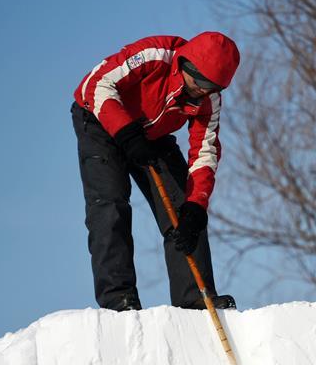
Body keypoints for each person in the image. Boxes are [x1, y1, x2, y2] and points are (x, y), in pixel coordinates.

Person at [71, 32, 239, 312]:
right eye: (198, 82)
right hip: (100, 121)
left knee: (184, 210)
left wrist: (197, 205)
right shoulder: (156, 55)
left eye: (211, 87)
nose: (201, 91)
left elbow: (205, 153)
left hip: (152, 133)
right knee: (110, 204)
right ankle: (119, 298)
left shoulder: (209, 99)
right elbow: (97, 83)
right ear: (185, 65)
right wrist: (126, 133)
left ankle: (195, 297)